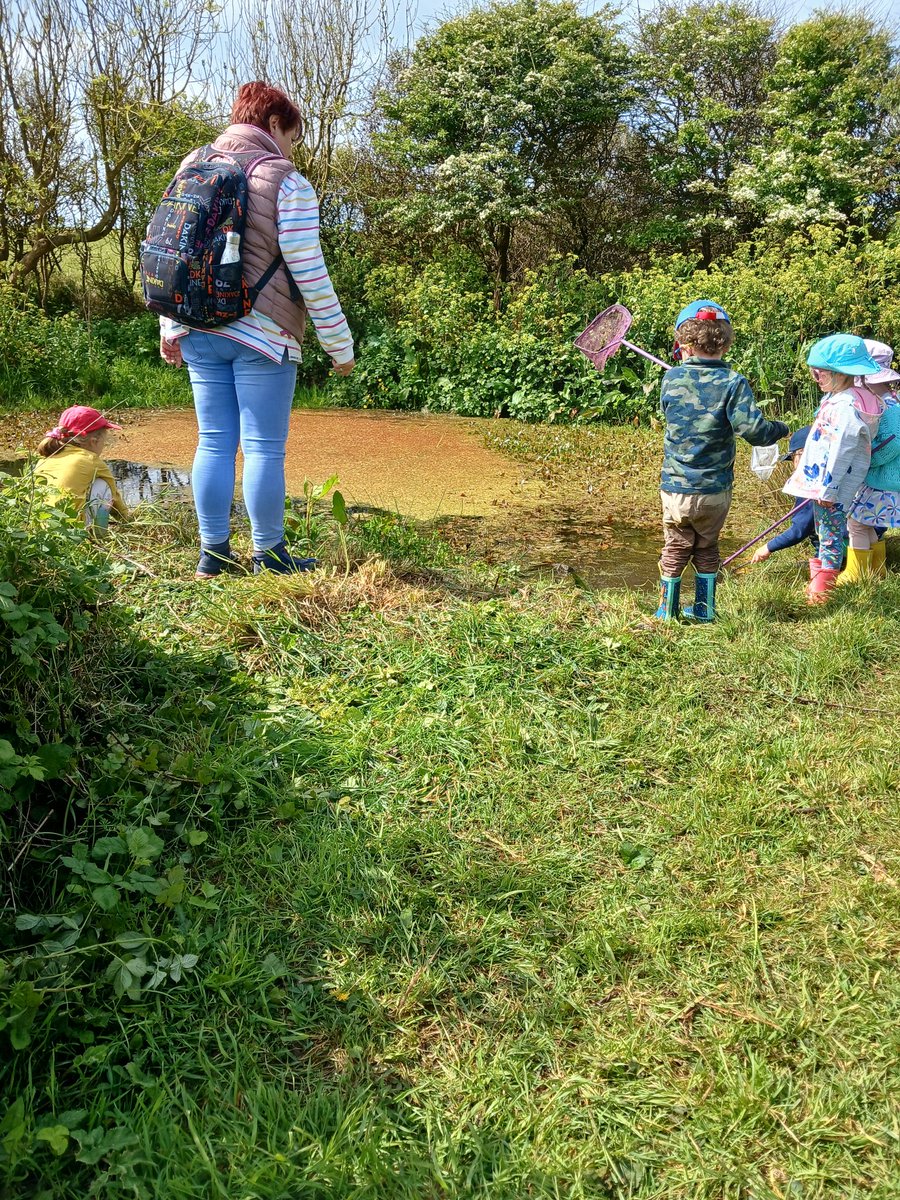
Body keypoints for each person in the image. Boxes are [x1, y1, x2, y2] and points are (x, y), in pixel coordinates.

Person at [157, 81, 356, 580]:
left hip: (197, 325)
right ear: (272, 124)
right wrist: (340, 344)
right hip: (263, 335)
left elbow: (167, 250)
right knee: (264, 446)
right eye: (291, 135)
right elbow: (309, 271)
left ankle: (213, 555)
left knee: (214, 441)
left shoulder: (192, 165)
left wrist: (171, 326)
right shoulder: (287, 181)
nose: (291, 148)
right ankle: (268, 554)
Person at [656, 299, 789, 621]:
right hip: (715, 489)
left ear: (682, 343)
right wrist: (780, 428)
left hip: (675, 486)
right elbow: (754, 431)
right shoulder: (733, 383)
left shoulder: (671, 378)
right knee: (706, 547)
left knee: (675, 547)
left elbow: (668, 413)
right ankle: (704, 609)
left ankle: (665, 612)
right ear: (726, 343)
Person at [783, 334, 881, 604]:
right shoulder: (851, 398)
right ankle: (822, 584)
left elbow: (841, 450)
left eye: (818, 373)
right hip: (830, 482)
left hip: (831, 485)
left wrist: (829, 487)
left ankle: (821, 593)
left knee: (829, 535)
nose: (816, 378)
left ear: (840, 373)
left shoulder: (846, 407)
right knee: (827, 531)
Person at [844, 340, 900, 581]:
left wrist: (866, 459)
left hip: (883, 480)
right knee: (865, 523)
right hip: (881, 479)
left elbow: (892, 442)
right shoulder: (890, 401)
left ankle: (856, 576)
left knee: (856, 524)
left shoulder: (889, 407)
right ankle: (876, 572)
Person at [34, 405, 129, 528]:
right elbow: (114, 497)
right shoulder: (91, 460)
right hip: (72, 530)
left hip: (42, 527)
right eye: (103, 442)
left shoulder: (47, 457)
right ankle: (99, 535)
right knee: (103, 485)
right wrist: (127, 519)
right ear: (94, 441)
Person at [751, 427, 818, 564]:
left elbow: (799, 530)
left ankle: (829, 568)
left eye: (792, 457)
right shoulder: (837, 476)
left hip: (839, 549)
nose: (793, 463)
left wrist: (767, 547)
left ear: (801, 455)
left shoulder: (810, 485)